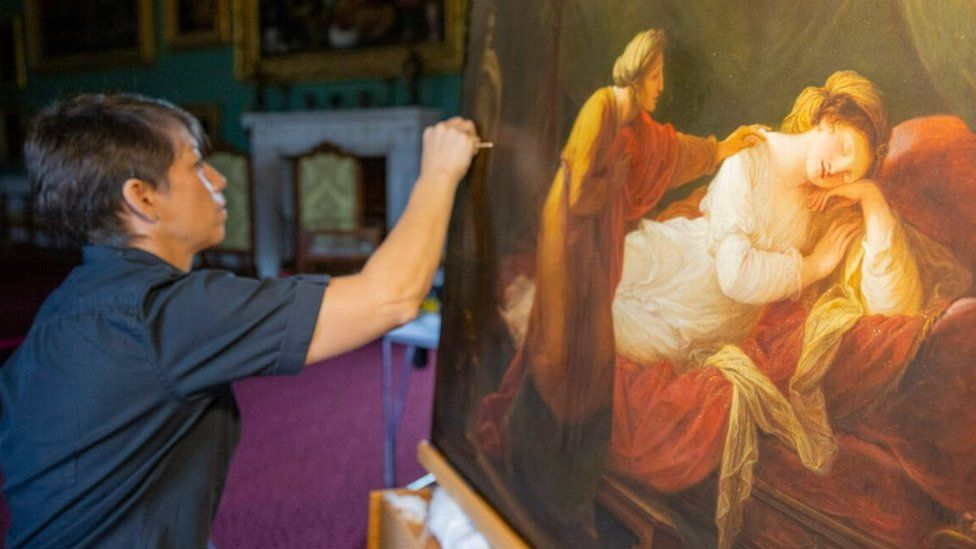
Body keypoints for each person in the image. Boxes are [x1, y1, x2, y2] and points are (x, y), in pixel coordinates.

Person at [0, 93, 479, 548]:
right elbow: (389, 300)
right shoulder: (166, 312)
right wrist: (438, 173)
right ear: (142, 199)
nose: (220, 178)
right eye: (195, 165)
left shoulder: (72, 302)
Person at [477, 28, 767, 528]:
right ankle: (539, 465)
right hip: (569, 245)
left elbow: (674, 154)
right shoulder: (601, 109)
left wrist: (722, 148)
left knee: (587, 359)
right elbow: (577, 193)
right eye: (656, 77)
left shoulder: (638, 122)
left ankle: (565, 479)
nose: (660, 87)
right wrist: (612, 183)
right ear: (637, 72)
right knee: (563, 352)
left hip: (596, 246)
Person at [612, 69, 922, 367]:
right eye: (844, 148)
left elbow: (894, 310)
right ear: (829, 119)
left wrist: (870, 195)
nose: (837, 170)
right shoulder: (751, 154)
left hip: (691, 328)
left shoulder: (825, 206)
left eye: (849, 174)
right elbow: (733, 276)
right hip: (667, 268)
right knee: (589, 285)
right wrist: (811, 267)